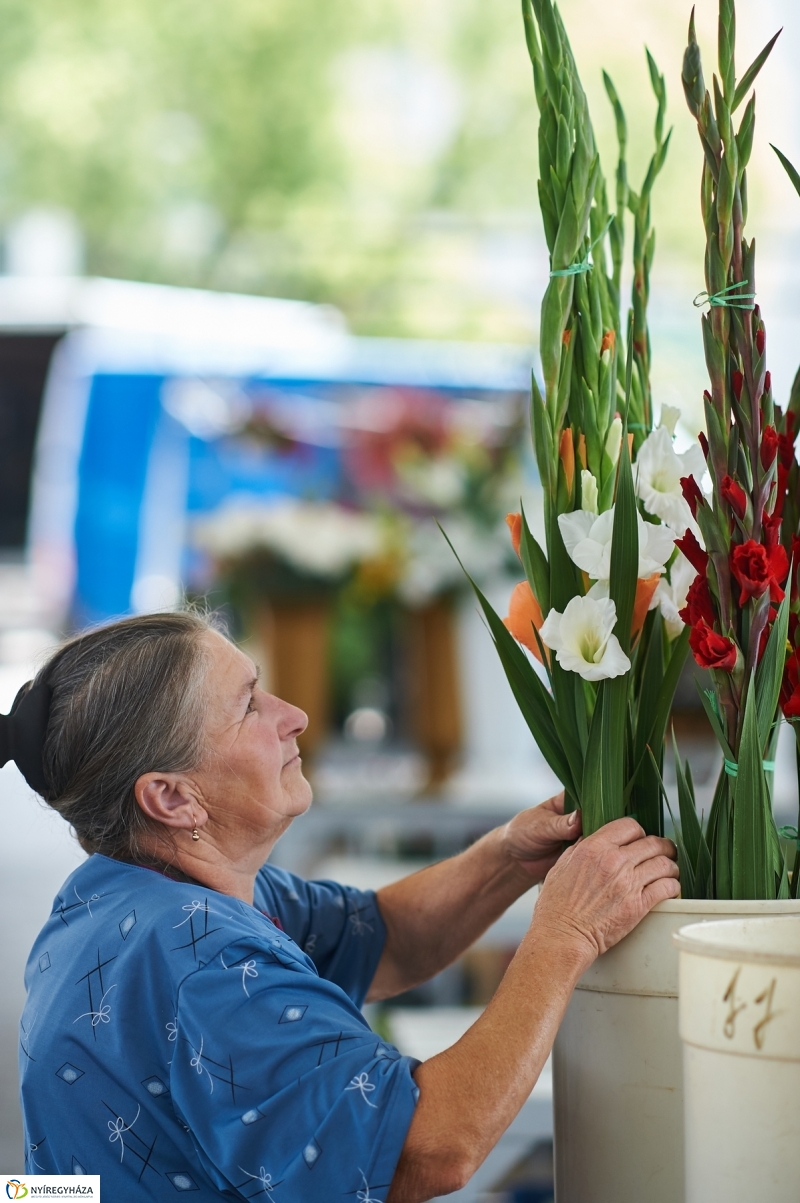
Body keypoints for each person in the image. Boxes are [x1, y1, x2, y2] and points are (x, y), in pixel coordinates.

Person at [1, 611, 679, 1201]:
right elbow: (429, 1149)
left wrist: (507, 856)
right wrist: (565, 932)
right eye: (248, 706)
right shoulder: (203, 963)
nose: (292, 714)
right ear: (174, 798)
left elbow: (380, 936)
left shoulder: (130, 890)